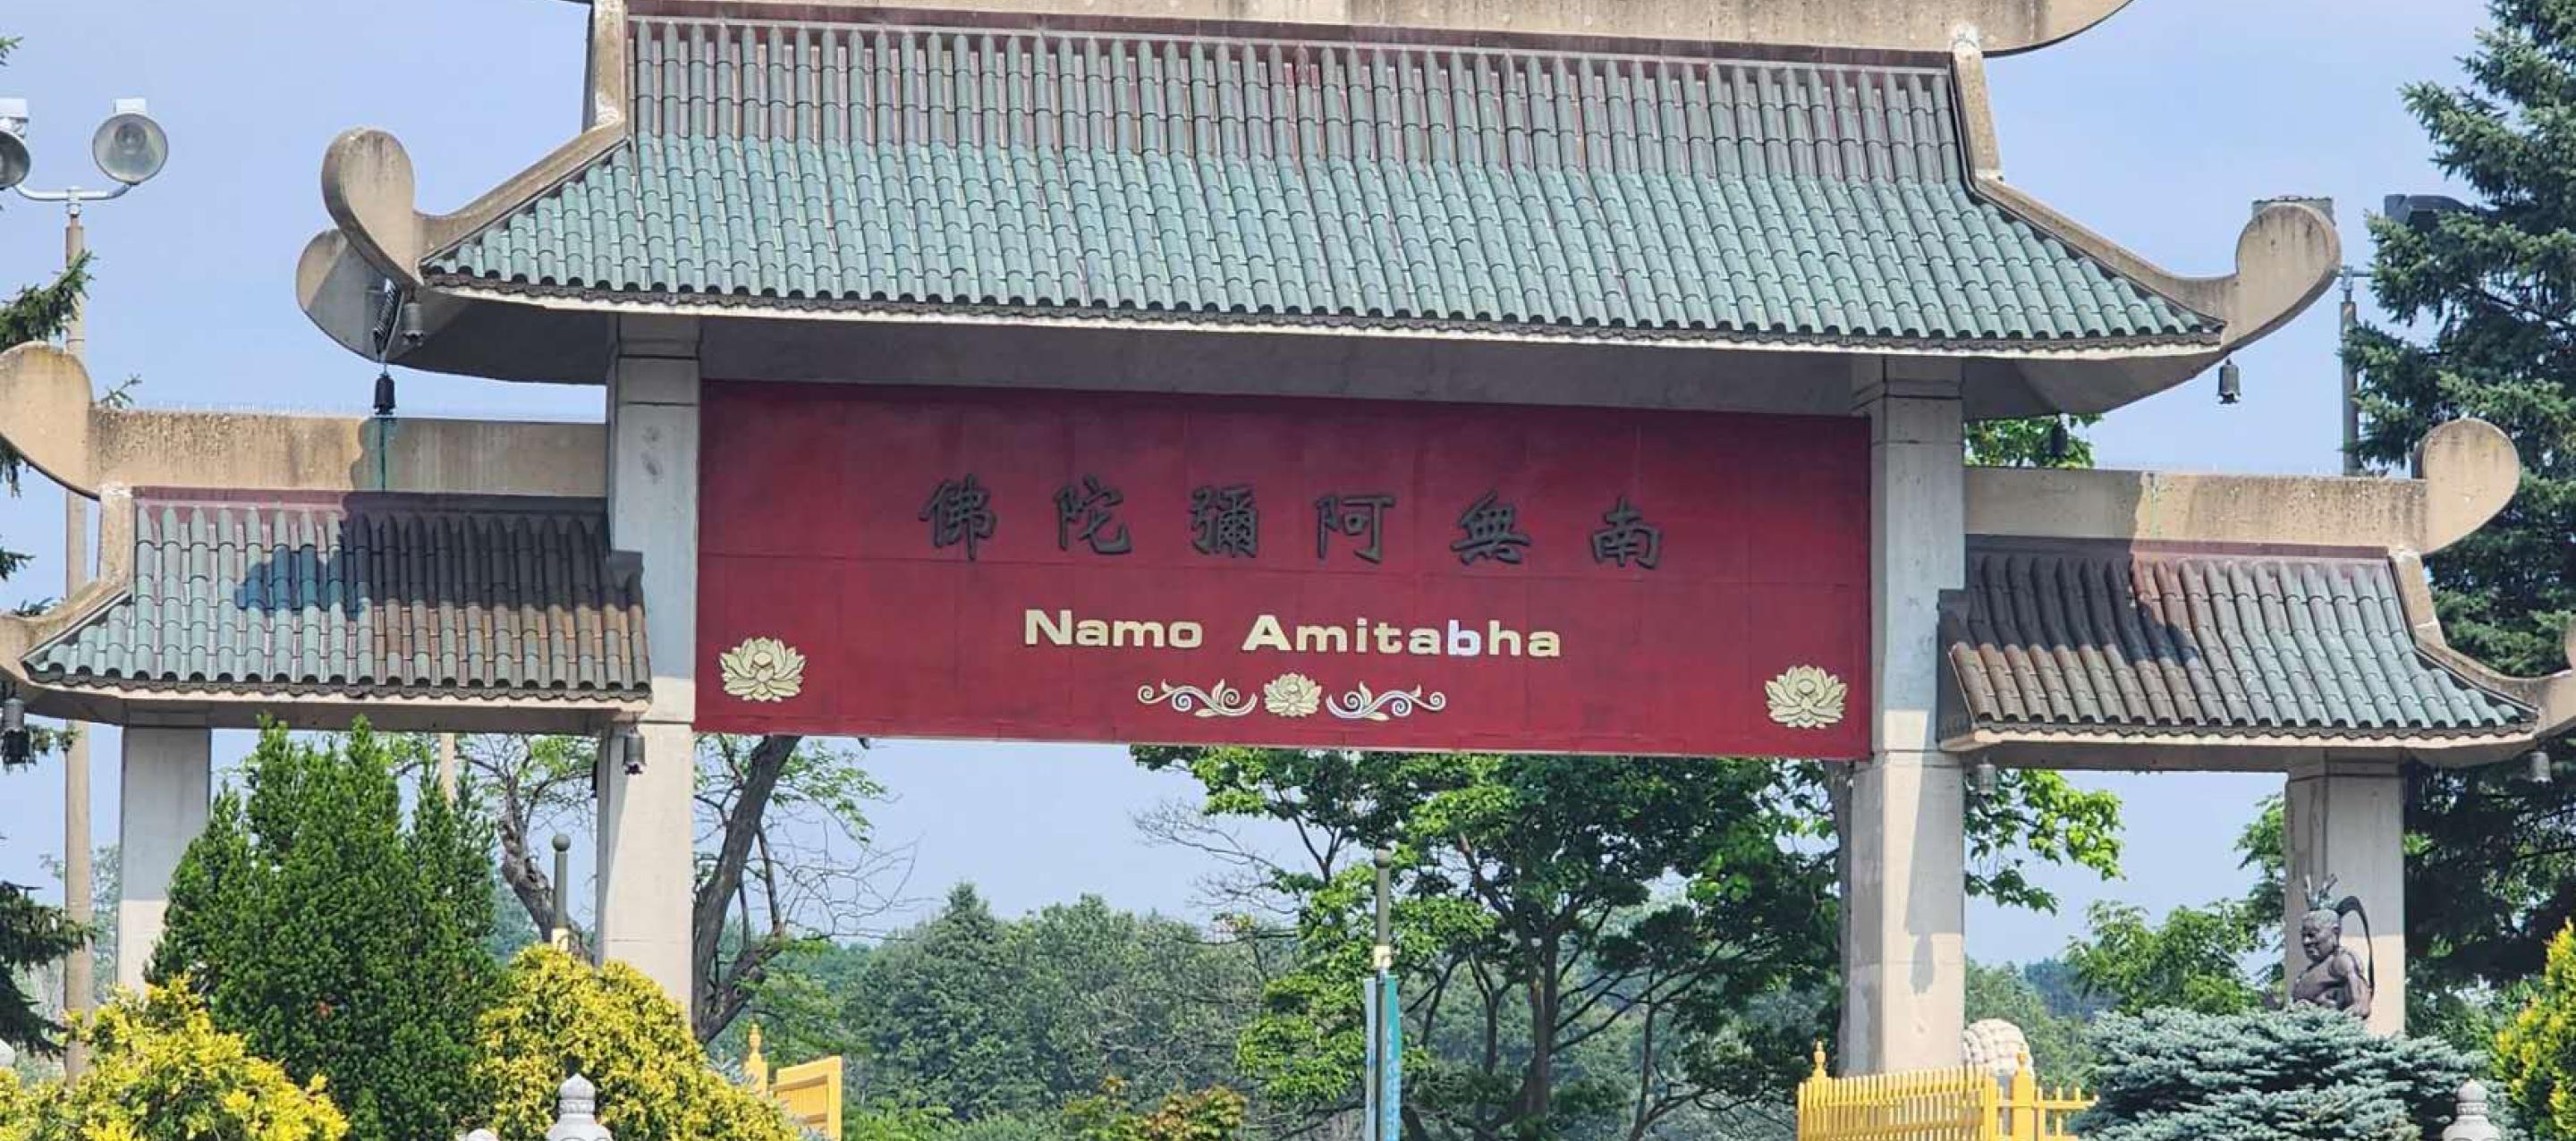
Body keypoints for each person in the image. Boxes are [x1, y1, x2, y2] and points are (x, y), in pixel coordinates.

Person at [2289, 895, 2373, 1018]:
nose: (2306, 942)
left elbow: (2360, 1005)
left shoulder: (2341, 962)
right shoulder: (2308, 972)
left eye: (2312, 935)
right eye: (2304, 935)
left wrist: (2334, 1017)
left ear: (2335, 932)